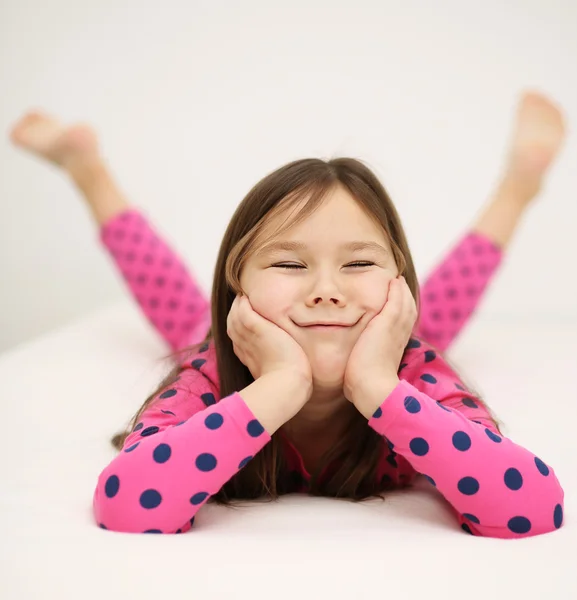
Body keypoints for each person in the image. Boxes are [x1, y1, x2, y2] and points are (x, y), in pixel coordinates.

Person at [9, 91, 566, 538]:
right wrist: (277, 386)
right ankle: (89, 171)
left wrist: (377, 384)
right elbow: (128, 506)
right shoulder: (207, 374)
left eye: (358, 262)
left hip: (389, 348)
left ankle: (518, 186)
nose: (327, 291)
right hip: (234, 349)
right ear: (238, 293)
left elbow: (535, 509)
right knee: (176, 310)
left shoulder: (415, 370)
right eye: (289, 263)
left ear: (398, 282)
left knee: (439, 319)